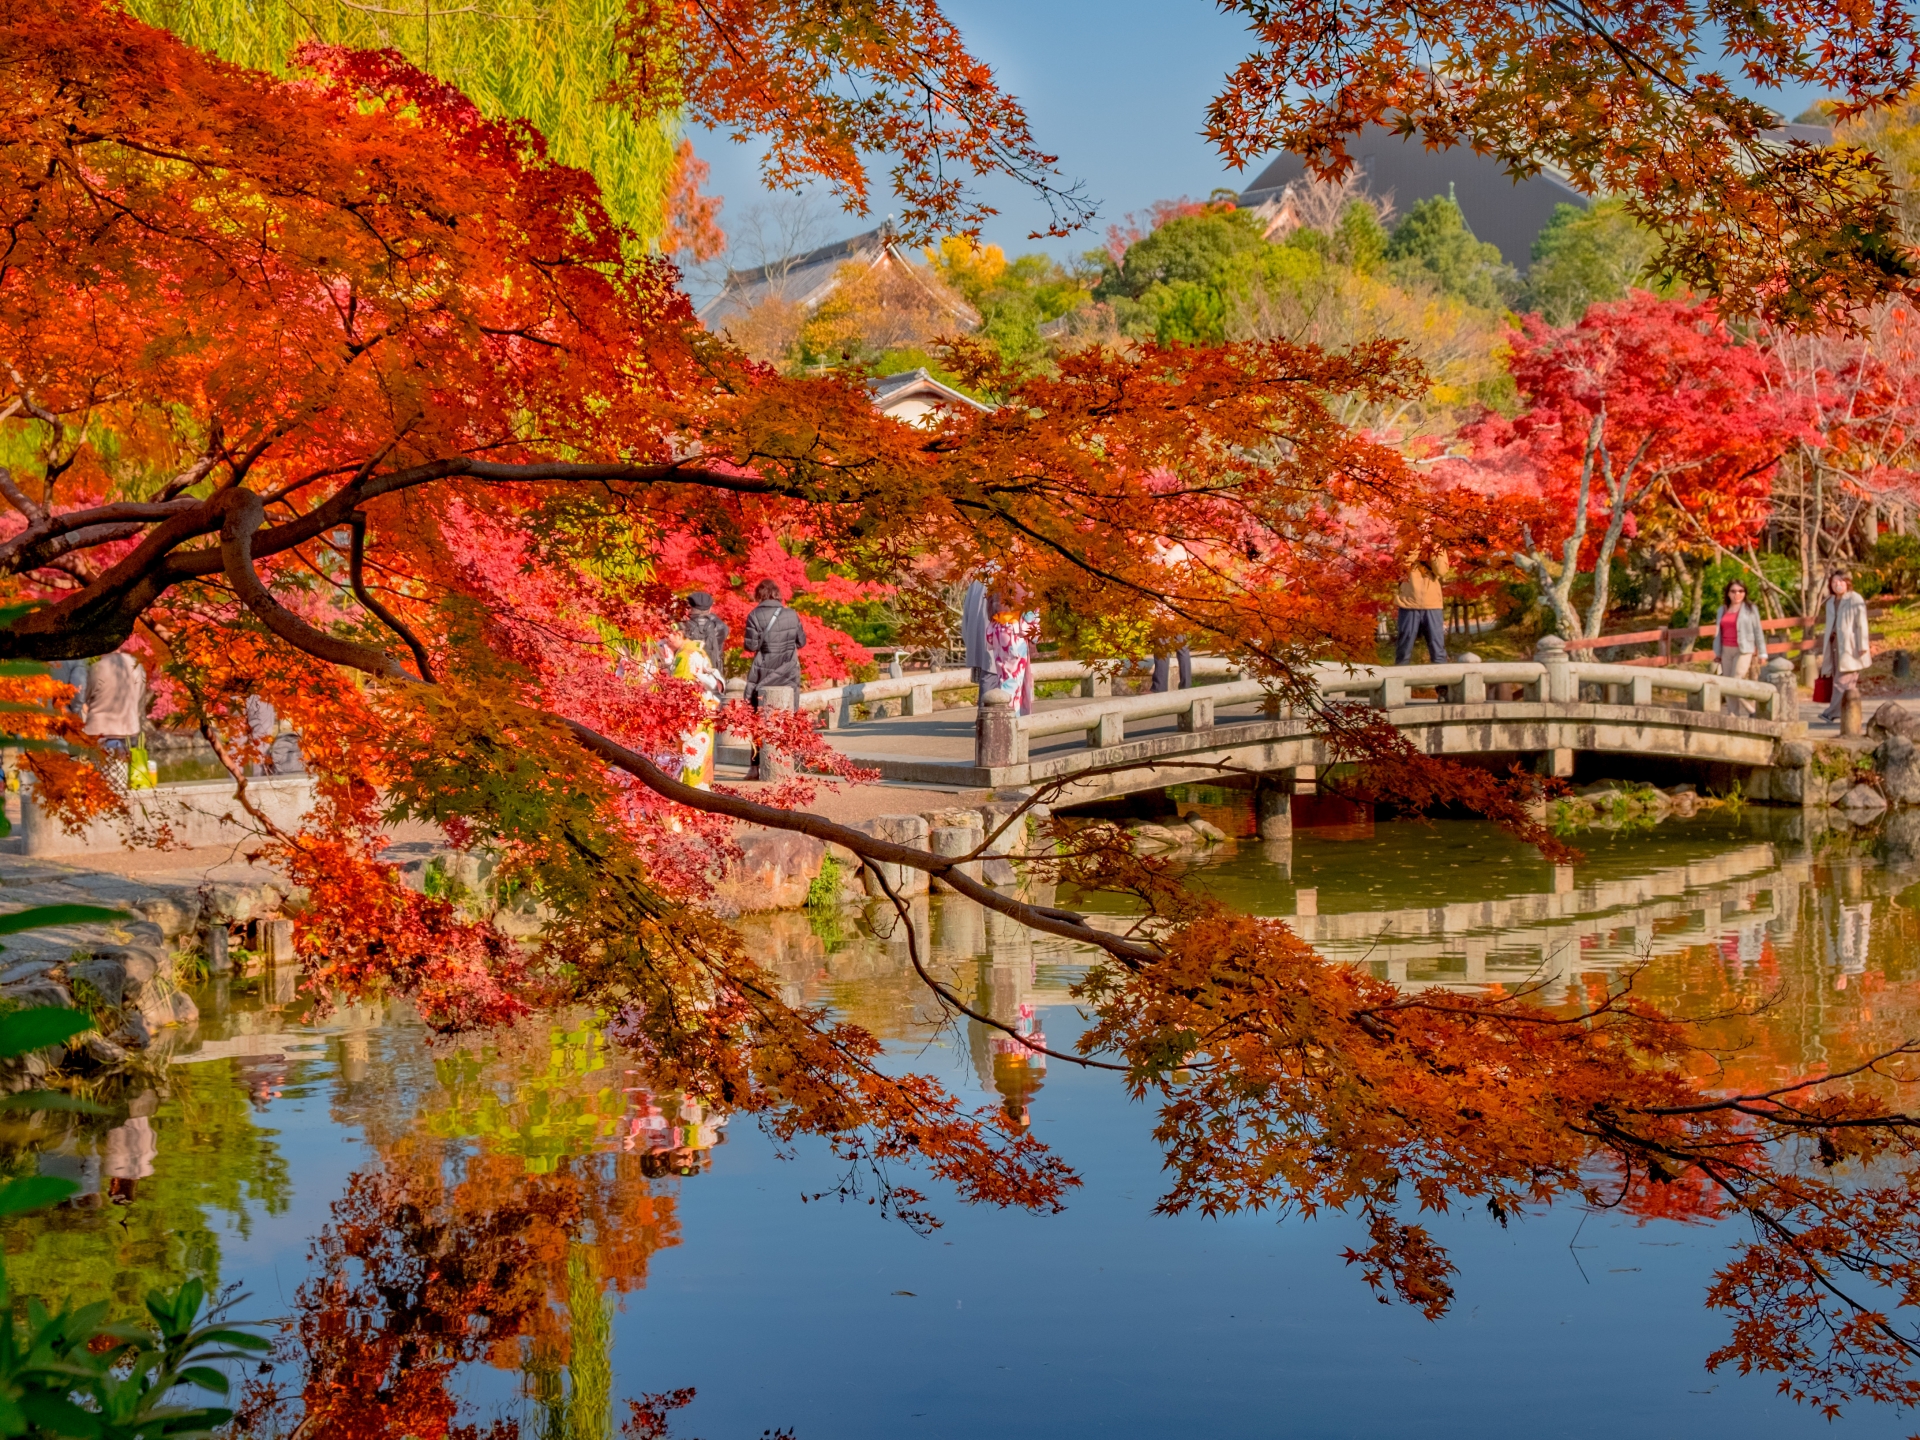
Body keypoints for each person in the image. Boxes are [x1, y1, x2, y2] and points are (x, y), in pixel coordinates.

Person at [742, 579, 807, 779]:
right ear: (777, 593)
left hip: (762, 673)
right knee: (788, 719)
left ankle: (754, 767)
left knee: (756, 720)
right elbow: (801, 642)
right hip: (789, 673)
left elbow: (751, 647)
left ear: (758, 595)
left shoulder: (754, 615)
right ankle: (787, 765)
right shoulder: (791, 614)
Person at [82, 648, 146, 785]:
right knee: (122, 781)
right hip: (128, 728)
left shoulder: (98, 668)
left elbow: (85, 696)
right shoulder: (136, 665)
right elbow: (140, 696)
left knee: (99, 782)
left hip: (100, 730)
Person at [1819, 568, 1872, 722]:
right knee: (1842, 680)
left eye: (1841, 581)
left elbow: (1861, 623)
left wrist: (1863, 645)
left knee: (1842, 681)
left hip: (1851, 645)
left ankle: (1831, 712)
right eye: (1834, 582)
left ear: (1847, 582)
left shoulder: (1855, 599)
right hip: (1834, 644)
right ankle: (1846, 713)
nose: (1838, 584)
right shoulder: (1830, 601)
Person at [1712, 578, 1765, 715]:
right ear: (1728, 593)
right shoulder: (1722, 610)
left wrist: (1762, 653)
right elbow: (1718, 632)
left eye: (1741, 591)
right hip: (1726, 650)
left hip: (1744, 649)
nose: (1737, 594)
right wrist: (1717, 652)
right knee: (1728, 684)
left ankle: (1751, 709)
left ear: (1745, 593)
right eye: (1733, 591)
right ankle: (1733, 714)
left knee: (1735, 681)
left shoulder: (1750, 609)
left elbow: (1758, 631)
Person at [1394, 551, 1450, 666]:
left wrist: (1433, 548)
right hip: (1408, 603)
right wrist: (1417, 548)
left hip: (1432, 604)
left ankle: (1442, 684)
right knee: (1403, 651)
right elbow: (1401, 567)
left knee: (1438, 651)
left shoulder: (1437, 545)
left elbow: (1441, 571)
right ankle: (1398, 682)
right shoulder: (1405, 542)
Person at [985, 594, 1036, 716]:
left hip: (998, 628)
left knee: (1003, 677)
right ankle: (1010, 720)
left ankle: (1005, 717)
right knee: (1013, 680)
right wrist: (1035, 633)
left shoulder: (998, 579)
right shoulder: (1024, 579)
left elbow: (990, 606)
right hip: (1014, 630)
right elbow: (1030, 612)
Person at [679, 591, 729, 674]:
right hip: (712, 674)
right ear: (710, 608)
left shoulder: (682, 626)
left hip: (687, 672)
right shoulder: (720, 627)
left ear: (690, 608)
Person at [961, 578, 990, 683]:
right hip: (1000, 647)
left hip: (978, 644)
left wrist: (971, 644)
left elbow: (966, 620)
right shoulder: (1006, 573)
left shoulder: (977, 580)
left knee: (985, 685)